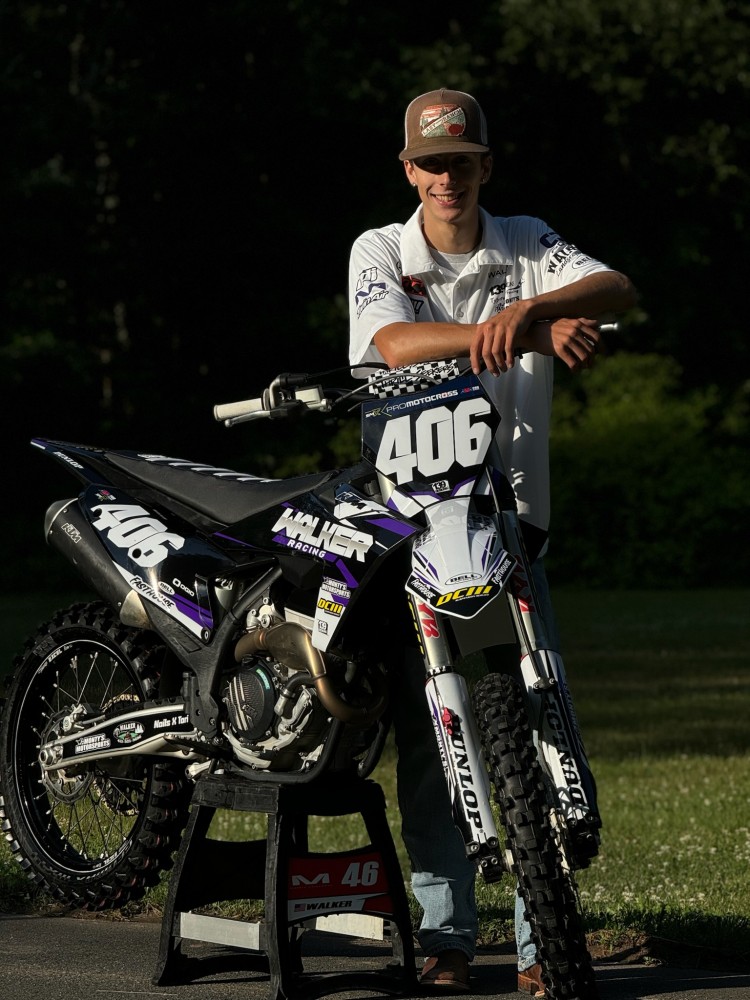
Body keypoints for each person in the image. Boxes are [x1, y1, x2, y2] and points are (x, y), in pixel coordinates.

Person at [347, 88, 637, 995]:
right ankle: (446, 938)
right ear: (409, 170)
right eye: (433, 163)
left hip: (513, 521)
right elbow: (392, 344)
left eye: (463, 162)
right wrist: (522, 329)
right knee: (433, 737)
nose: (449, 178)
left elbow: (618, 288)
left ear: (485, 166)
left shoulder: (524, 240)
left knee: (538, 719)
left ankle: (539, 943)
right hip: (415, 524)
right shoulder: (379, 249)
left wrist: (542, 305)